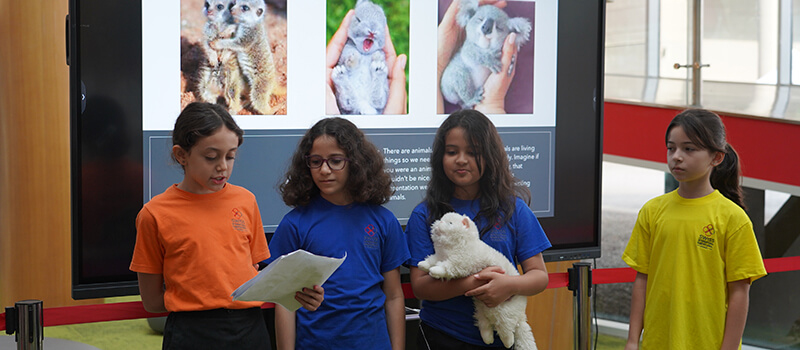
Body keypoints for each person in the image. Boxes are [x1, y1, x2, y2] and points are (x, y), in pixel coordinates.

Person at [129, 102, 322, 349]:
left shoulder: (245, 201)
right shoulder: (154, 214)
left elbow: (254, 275)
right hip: (192, 335)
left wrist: (297, 290)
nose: (223, 166)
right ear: (181, 155)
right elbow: (152, 301)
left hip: (250, 330)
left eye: (230, 156)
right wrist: (201, 298)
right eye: (211, 157)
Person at [622, 109, 767, 350]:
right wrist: (632, 341)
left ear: (716, 157)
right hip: (656, 343)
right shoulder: (652, 211)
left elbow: (739, 293)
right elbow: (642, 280)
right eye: (671, 148)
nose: (677, 157)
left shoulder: (733, 218)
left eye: (689, 149)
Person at [406, 109, 551, 349]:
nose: (461, 160)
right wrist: (474, 284)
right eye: (452, 152)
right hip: (442, 335)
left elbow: (539, 276)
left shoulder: (513, 209)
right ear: (440, 157)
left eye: (473, 152)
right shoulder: (425, 215)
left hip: (501, 337)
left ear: (490, 156)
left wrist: (509, 286)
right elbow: (420, 287)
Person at [265, 117, 410, 350]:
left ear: (356, 162)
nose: (324, 170)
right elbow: (285, 303)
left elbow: (393, 296)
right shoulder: (295, 224)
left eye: (335, 161)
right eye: (316, 161)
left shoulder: (384, 221)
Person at [437, 0, 518, 115]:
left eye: (499, 27)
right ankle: (469, 100)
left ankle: (468, 103)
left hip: (476, 92)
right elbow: (468, 55)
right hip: (452, 85)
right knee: (458, 74)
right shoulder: (469, 46)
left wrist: (490, 105)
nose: (486, 28)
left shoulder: (499, 51)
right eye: (479, 20)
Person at [325, 8, 407, 115]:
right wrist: (350, 61)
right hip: (352, 102)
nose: (372, 31)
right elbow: (345, 61)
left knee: (380, 94)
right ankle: (343, 83)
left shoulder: (378, 54)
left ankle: (376, 78)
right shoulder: (349, 47)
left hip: (373, 104)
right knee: (347, 103)